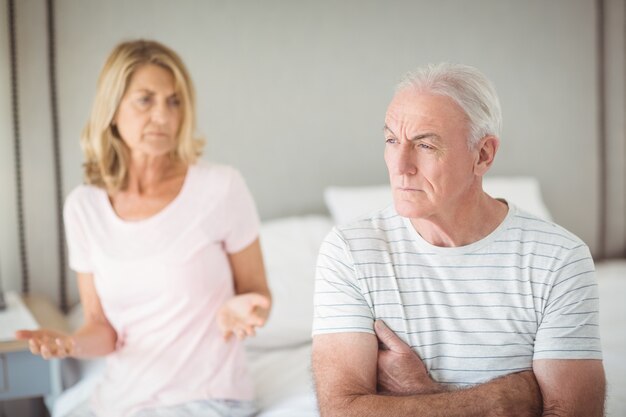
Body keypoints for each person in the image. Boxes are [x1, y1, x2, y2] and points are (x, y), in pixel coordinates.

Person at [312, 63, 605, 417]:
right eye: (391, 140)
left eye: (425, 144)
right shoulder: (350, 250)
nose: (400, 165)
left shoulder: (560, 258)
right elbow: (341, 410)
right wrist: (499, 401)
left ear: (482, 155)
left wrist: (422, 393)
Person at [16, 39, 271, 417]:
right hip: (119, 401)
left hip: (209, 399)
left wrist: (245, 309)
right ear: (112, 109)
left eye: (174, 101)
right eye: (145, 99)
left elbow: (257, 293)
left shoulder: (220, 187)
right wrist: (69, 344)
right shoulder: (84, 208)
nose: (164, 117)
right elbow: (102, 329)